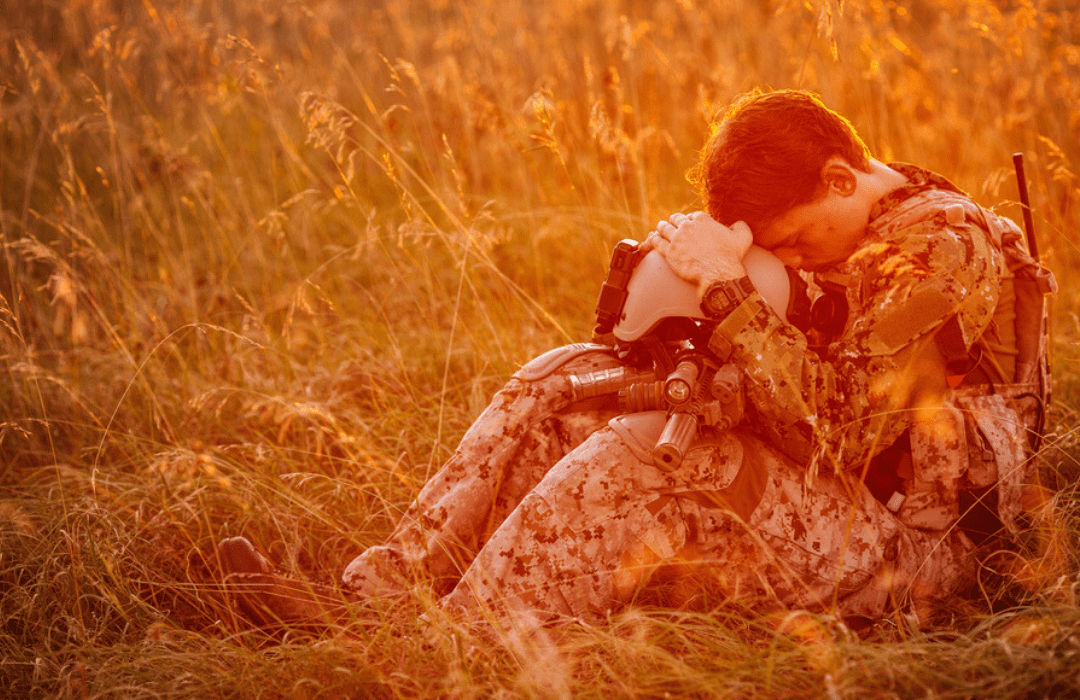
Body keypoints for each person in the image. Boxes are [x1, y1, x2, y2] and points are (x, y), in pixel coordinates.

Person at [218, 89, 1057, 637]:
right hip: (844, 504)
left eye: (796, 242)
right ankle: (375, 601)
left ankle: (444, 654)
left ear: (841, 179)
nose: (796, 261)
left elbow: (838, 433)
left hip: (923, 559)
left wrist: (729, 292)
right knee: (563, 382)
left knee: (659, 449)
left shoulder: (943, 249)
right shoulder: (858, 223)